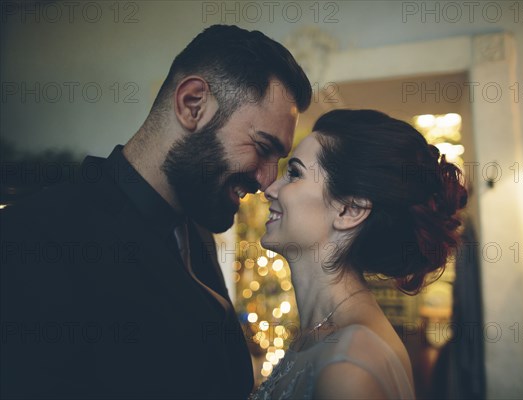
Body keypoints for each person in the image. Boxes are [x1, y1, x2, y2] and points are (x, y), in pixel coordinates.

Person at [0, 25, 311, 399]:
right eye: (262, 146)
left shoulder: (196, 231)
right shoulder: (33, 239)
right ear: (192, 104)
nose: (266, 180)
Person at [252, 109, 468, 399]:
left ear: (349, 210)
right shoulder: (319, 335)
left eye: (294, 173)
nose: (270, 189)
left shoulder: (351, 365)